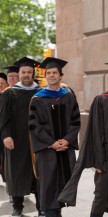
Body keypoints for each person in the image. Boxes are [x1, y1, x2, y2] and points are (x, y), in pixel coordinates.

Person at [57, 61, 108, 217]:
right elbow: (96, 133)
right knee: (101, 197)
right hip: (107, 159)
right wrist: (98, 162)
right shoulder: (102, 100)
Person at [28, 57, 80, 217]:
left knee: (63, 188)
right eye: (48, 73)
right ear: (45, 76)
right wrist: (51, 143)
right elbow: (34, 126)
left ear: (60, 75)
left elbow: (76, 121)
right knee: (49, 190)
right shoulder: (37, 99)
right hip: (47, 152)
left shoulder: (69, 96)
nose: (51, 75)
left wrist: (67, 140)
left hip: (65, 149)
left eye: (54, 72)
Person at [0, 57, 43, 216]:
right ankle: (17, 208)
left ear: (33, 73)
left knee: (38, 173)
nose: (26, 75)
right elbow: (3, 118)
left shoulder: (41, 92)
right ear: (19, 74)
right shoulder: (10, 93)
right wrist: (6, 136)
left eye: (29, 72)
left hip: (37, 140)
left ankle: (41, 207)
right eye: (23, 72)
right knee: (17, 173)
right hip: (16, 140)